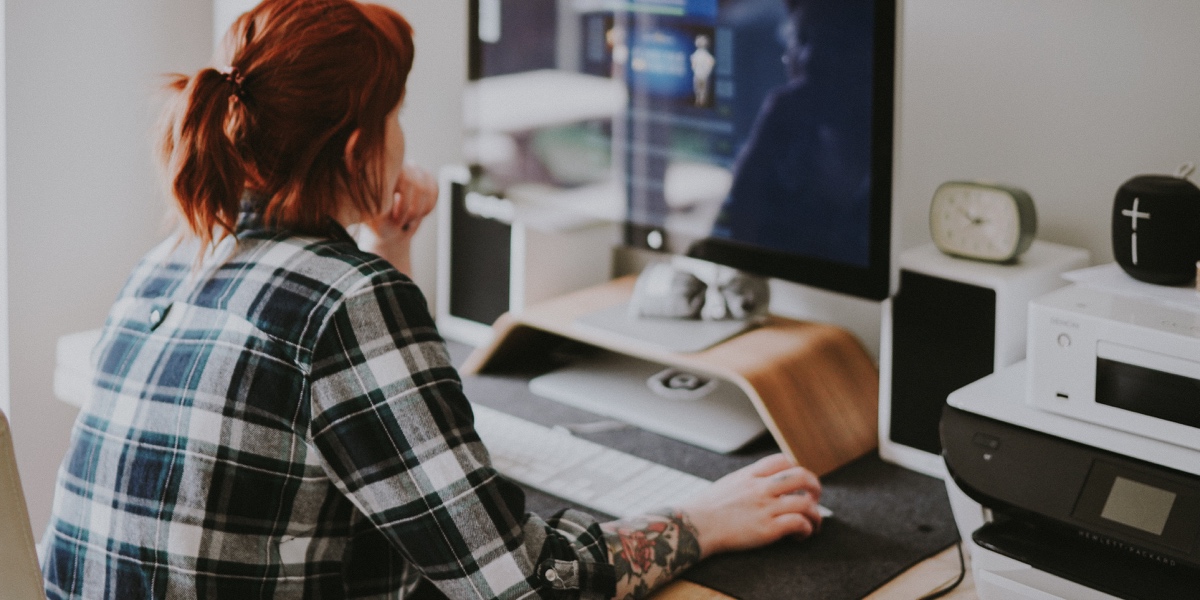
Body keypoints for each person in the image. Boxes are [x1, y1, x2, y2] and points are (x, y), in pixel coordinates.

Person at [39, 1, 824, 598]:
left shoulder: (173, 257)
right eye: (397, 117)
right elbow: (517, 582)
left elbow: (371, 426)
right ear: (359, 150)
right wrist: (704, 522)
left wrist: (389, 249)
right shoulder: (346, 303)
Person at [709, 0, 875, 267]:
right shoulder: (781, 147)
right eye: (802, 38)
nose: (811, 58)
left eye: (833, 39)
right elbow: (721, 250)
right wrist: (764, 142)